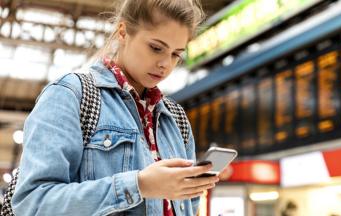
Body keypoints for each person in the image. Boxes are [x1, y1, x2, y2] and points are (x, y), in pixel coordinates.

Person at [11, 0, 219, 215]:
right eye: (156, 48)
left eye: (176, 54)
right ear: (123, 32)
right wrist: (139, 185)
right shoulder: (71, 95)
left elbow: (189, 206)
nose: (165, 64)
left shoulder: (175, 117)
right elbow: (32, 203)